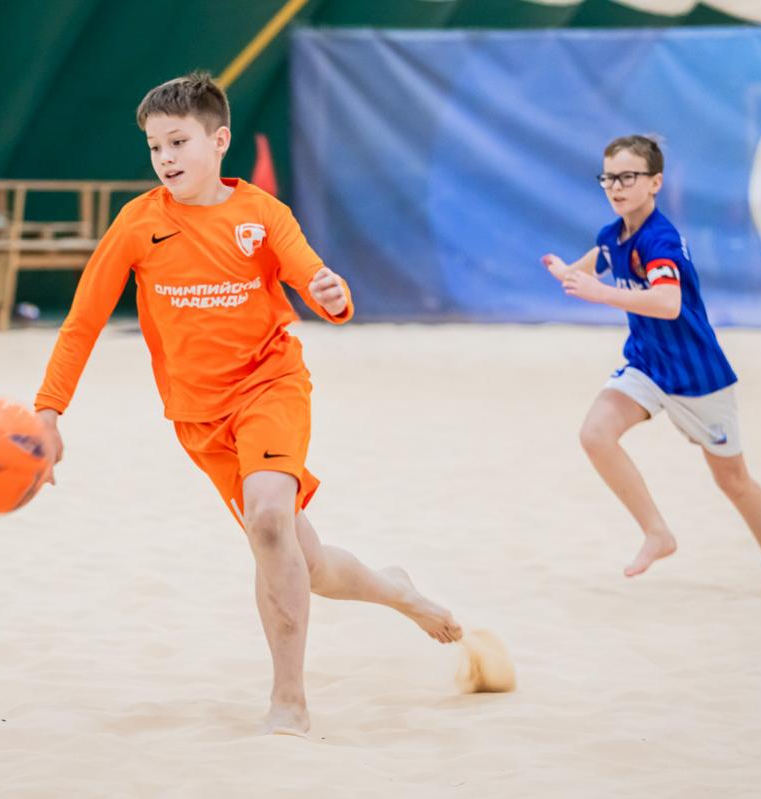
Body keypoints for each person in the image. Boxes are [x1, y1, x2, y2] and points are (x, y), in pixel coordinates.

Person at [34, 72, 463, 735]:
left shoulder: (262, 214)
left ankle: (289, 701)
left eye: (178, 141)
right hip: (199, 419)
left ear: (219, 140)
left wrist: (331, 294)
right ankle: (396, 589)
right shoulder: (138, 223)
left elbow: (316, 280)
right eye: (154, 147)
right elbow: (82, 323)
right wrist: (48, 412)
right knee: (306, 563)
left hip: (270, 385)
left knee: (267, 518)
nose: (165, 157)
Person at [541, 134, 761, 588]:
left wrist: (601, 294)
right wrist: (567, 271)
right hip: (646, 364)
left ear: (655, 182)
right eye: (608, 178)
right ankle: (657, 533)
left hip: (698, 376)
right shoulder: (613, 235)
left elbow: (668, 302)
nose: (615, 187)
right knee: (595, 434)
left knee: (733, 480)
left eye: (627, 177)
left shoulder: (661, 240)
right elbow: (598, 259)